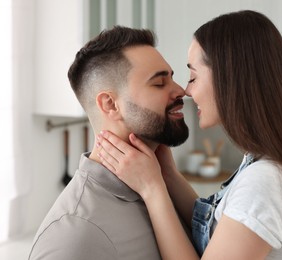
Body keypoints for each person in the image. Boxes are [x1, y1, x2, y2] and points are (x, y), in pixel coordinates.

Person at [96, 10, 282, 260]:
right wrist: (167, 176)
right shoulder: (267, 161)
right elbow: (219, 226)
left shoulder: (265, 182)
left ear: (228, 79)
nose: (186, 91)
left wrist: (152, 190)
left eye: (193, 76)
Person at [28, 26, 189, 260]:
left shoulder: (165, 185)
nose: (181, 90)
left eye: (172, 78)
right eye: (159, 83)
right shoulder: (76, 235)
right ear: (111, 105)